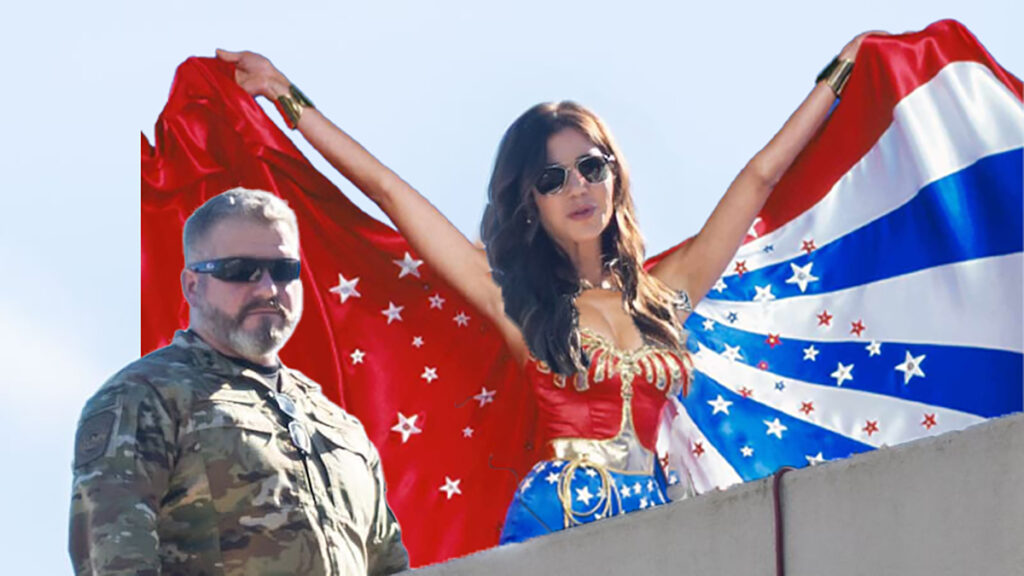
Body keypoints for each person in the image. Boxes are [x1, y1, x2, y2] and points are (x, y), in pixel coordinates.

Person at [217, 31, 878, 542]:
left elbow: (759, 177)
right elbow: (392, 192)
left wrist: (842, 71)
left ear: (615, 176)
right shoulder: (516, 299)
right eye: (553, 178)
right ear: (530, 201)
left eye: (590, 167)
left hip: (656, 523)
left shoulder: (665, 292)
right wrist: (287, 98)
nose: (578, 187)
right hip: (551, 524)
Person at [69, 188, 409, 575]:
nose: (268, 289)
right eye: (240, 271)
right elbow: (114, 562)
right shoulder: (145, 397)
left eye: (284, 271)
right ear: (192, 286)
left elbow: (389, 566)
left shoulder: (341, 428)